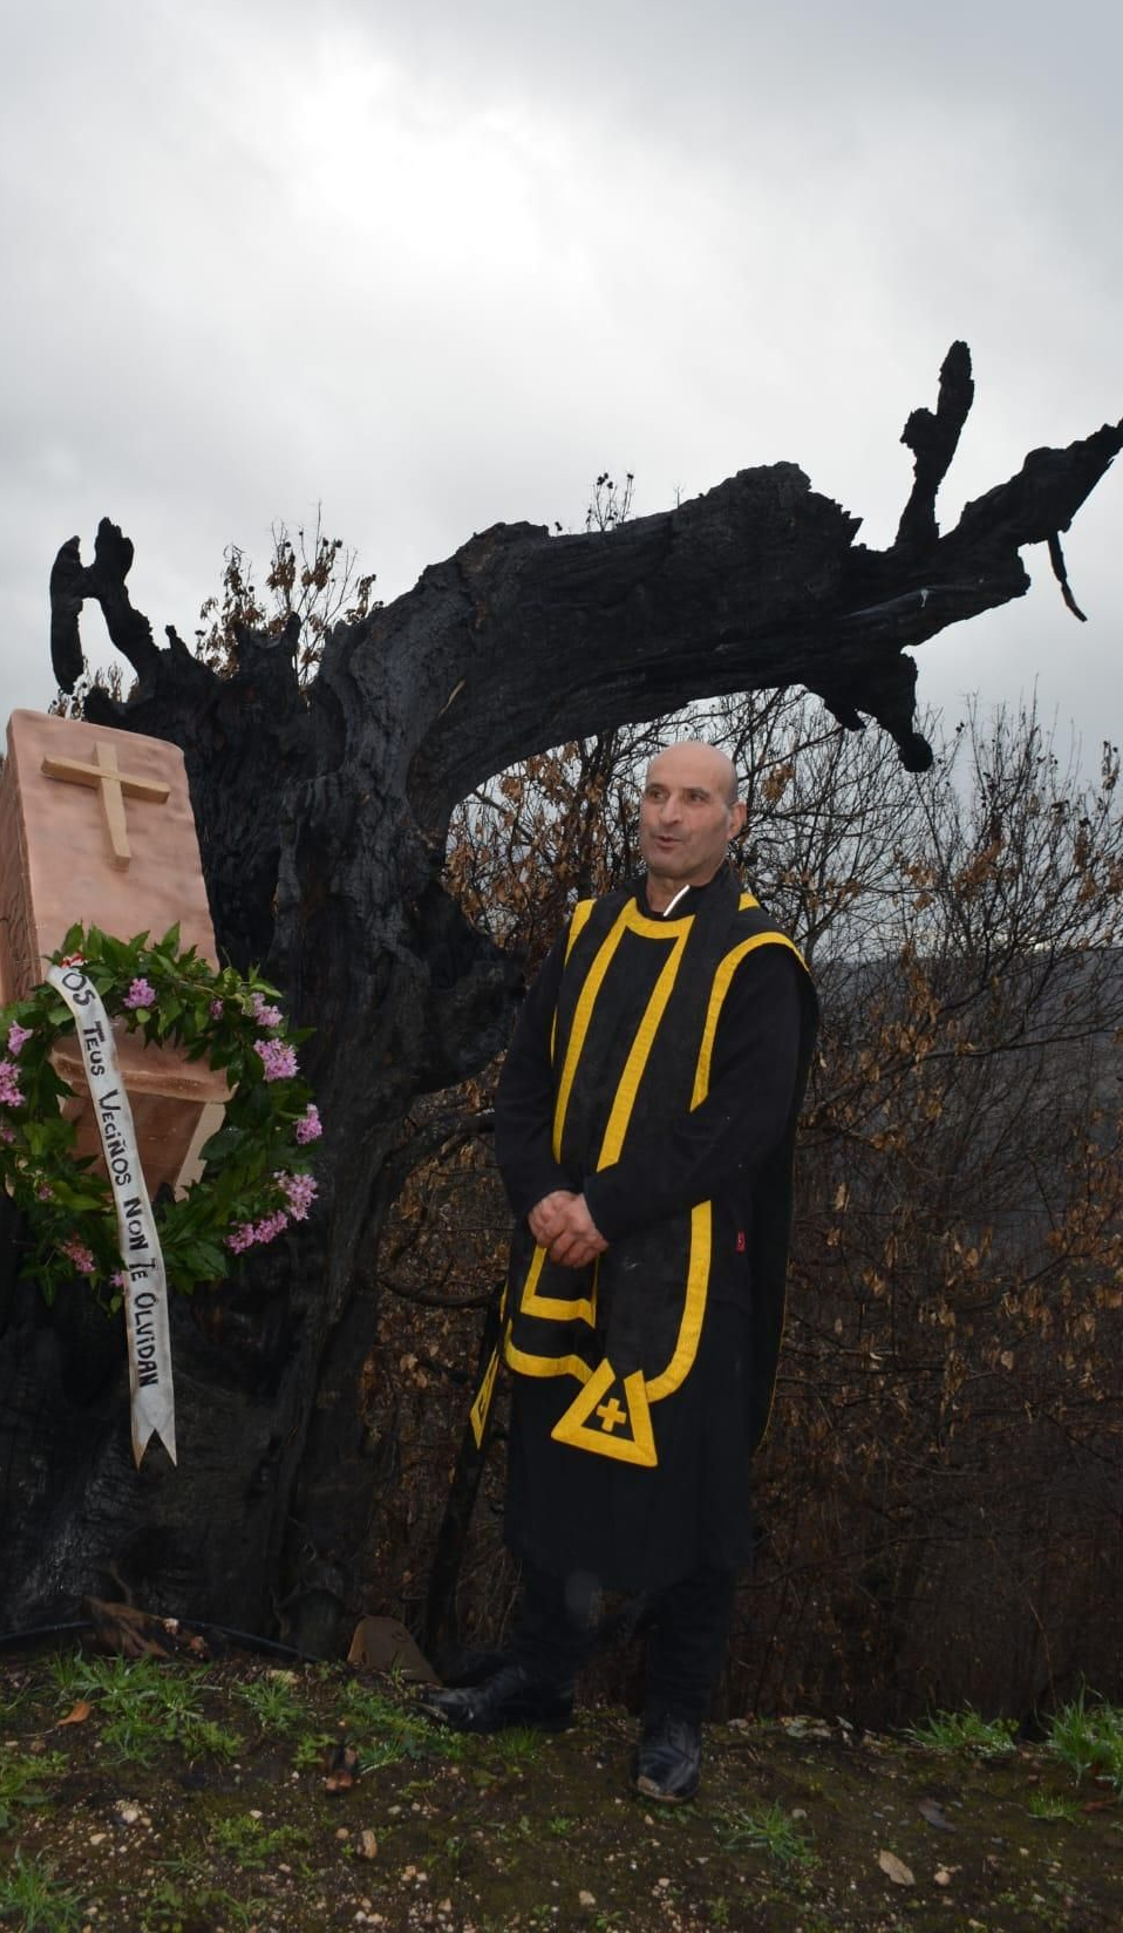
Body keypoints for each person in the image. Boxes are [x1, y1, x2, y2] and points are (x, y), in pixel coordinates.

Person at [426, 740, 818, 1801]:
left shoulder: (757, 957)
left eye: (694, 799)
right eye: (654, 794)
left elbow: (739, 1122)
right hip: (561, 1254)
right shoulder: (587, 932)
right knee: (549, 1474)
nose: (667, 815)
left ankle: (675, 1718)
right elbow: (524, 1081)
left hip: (688, 1277)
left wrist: (605, 1205)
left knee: (694, 1501)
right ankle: (541, 1679)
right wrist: (540, 1193)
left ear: (732, 822)